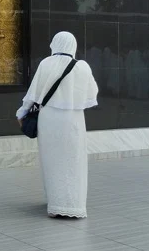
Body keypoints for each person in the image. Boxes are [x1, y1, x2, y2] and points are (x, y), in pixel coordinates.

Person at [16, 31, 98, 219]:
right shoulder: (82, 67)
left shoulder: (46, 63)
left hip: (49, 120)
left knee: (52, 161)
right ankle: (74, 204)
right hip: (74, 120)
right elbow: (92, 94)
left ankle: (55, 202)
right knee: (74, 160)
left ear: (55, 43)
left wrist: (21, 112)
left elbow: (33, 94)